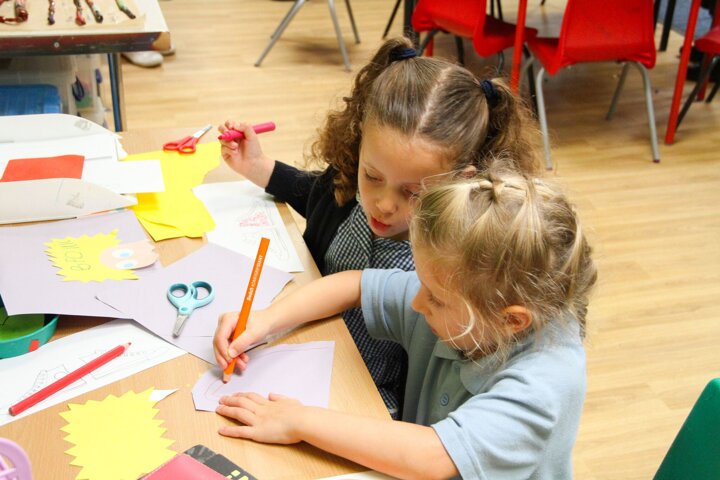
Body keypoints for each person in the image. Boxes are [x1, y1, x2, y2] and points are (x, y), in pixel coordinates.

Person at [217, 36, 542, 419]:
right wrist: (258, 167)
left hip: (370, 403)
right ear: (359, 146)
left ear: (461, 183)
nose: (384, 204)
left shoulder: (453, 268)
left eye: (413, 192)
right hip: (301, 347)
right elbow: (316, 193)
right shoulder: (350, 189)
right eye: (372, 176)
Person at [212, 166, 597, 479]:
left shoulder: (545, 385)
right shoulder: (471, 303)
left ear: (511, 320)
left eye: (434, 298)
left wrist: (298, 420)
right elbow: (354, 285)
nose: (415, 301)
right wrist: (264, 321)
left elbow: (433, 456)